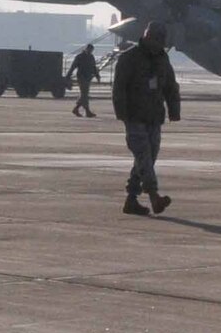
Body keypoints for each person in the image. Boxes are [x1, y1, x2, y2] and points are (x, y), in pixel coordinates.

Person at [110, 22, 180, 216]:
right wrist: (122, 113)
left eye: (162, 41)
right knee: (144, 157)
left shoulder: (162, 59)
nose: (160, 44)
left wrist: (174, 110)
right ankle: (154, 196)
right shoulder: (129, 58)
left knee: (148, 158)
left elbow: (171, 86)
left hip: (154, 117)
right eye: (157, 39)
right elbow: (119, 88)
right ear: (147, 37)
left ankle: (131, 199)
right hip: (134, 116)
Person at [66, 44, 100, 118]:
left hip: (88, 77)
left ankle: (76, 109)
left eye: (91, 50)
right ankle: (87, 111)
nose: (90, 51)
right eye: (89, 49)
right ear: (86, 49)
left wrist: (97, 76)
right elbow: (73, 66)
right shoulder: (80, 57)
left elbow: (94, 67)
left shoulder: (91, 57)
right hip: (81, 77)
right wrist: (68, 76)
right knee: (84, 94)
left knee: (84, 94)